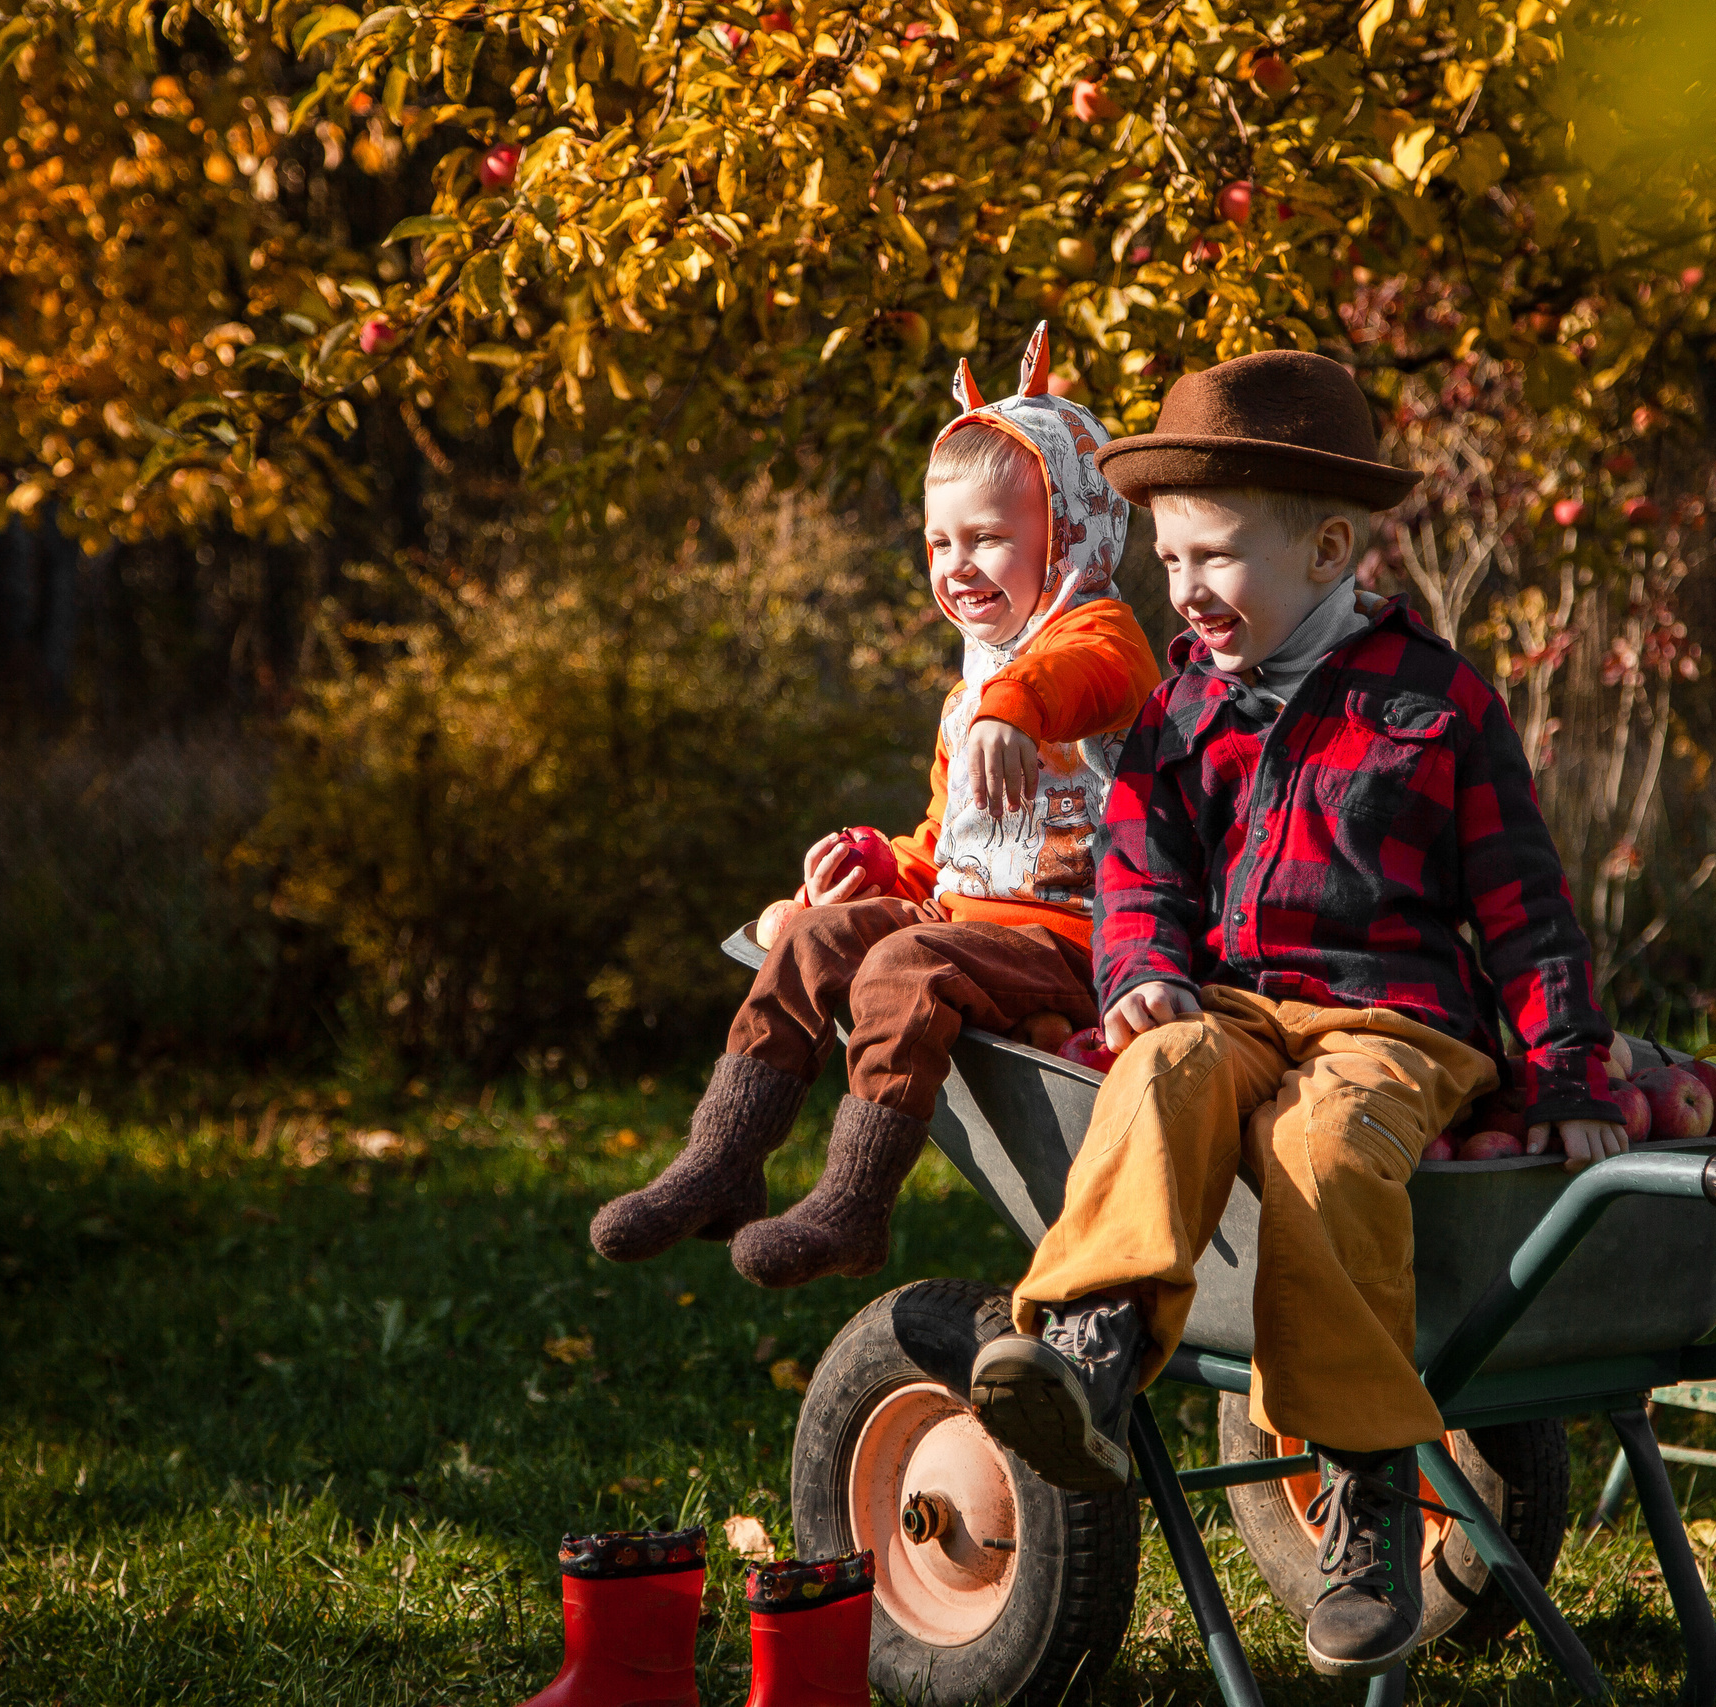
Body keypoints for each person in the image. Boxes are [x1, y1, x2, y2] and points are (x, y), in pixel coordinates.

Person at [965, 349, 1627, 1680]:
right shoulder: (1180, 713)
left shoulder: (1437, 706)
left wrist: (1569, 1074)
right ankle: (1091, 1347)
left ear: (1328, 546)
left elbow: (1524, 906)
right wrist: (1140, 968)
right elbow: (1139, 865)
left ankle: (1369, 1493)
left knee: (1325, 1151)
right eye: (1166, 564)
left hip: (1394, 1023)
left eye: (1213, 559)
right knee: (1158, 1071)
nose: (1185, 594)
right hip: (1235, 1005)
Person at [588, 327, 1158, 1289]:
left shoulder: (1098, 635)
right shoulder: (974, 683)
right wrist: (888, 874)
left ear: (1067, 536)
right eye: (940, 541)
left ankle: (854, 1204)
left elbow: (1090, 676)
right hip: (968, 925)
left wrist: (1013, 710)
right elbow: (953, 841)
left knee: (902, 963)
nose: (957, 565)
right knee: (814, 941)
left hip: (1075, 942)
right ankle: (724, 1163)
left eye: (988, 539)